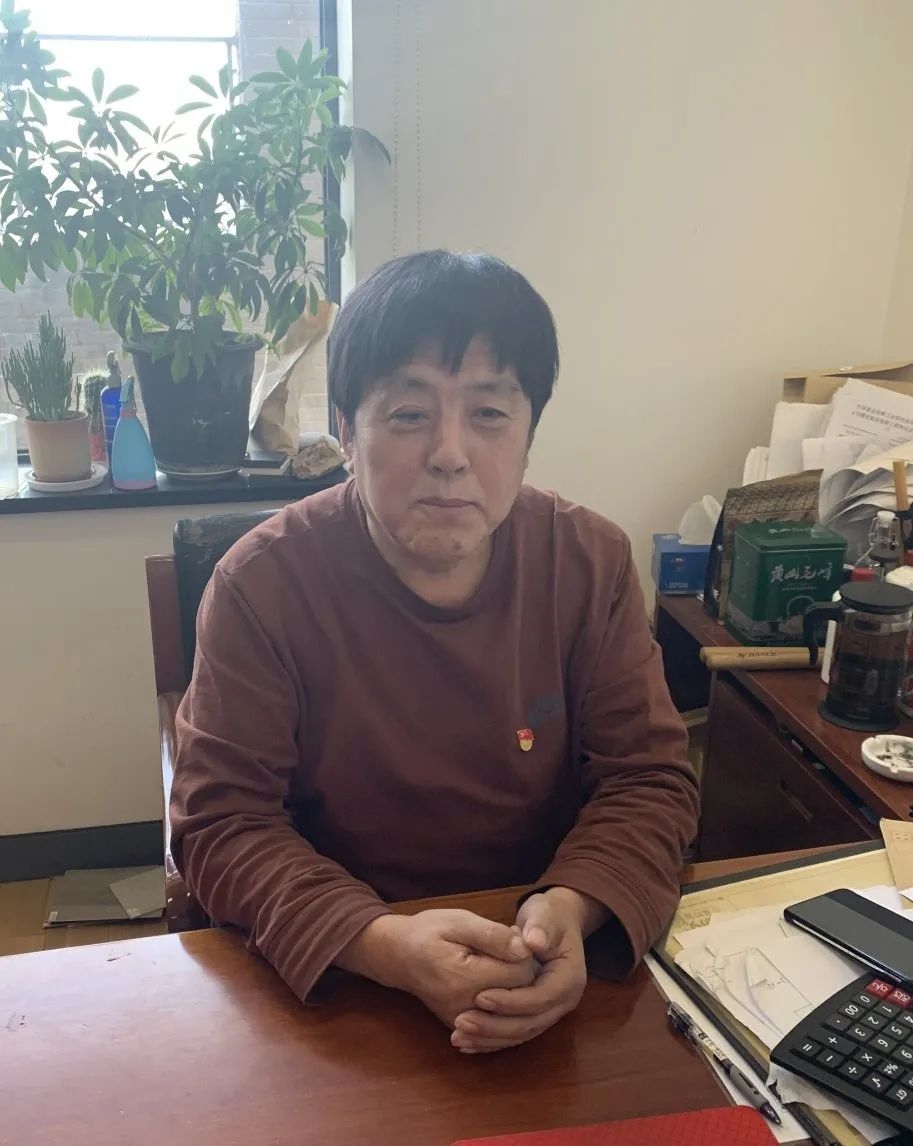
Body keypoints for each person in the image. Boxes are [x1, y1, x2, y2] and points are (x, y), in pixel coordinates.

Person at [170, 250, 698, 1055]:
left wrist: (571, 906)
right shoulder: (261, 585)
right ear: (347, 432)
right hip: (339, 986)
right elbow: (224, 821)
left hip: (541, 958)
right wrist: (380, 942)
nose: (450, 452)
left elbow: (647, 778)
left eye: (489, 414)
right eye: (409, 414)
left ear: (528, 435)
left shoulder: (587, 563)